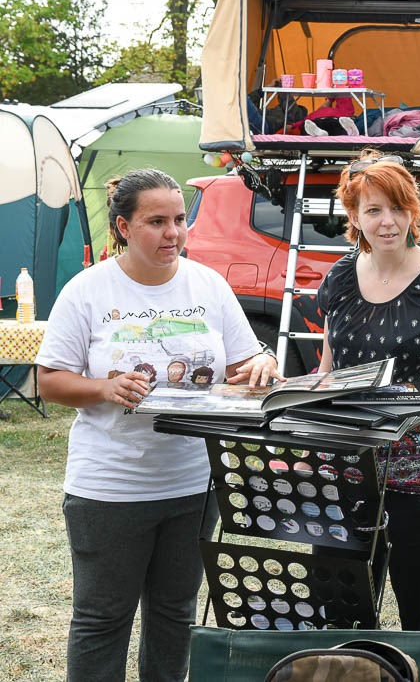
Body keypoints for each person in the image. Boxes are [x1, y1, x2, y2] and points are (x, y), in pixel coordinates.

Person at [34, 168, 282, 681]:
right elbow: (50, 381)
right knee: (102, 619)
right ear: (123, 227)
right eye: (156, 222)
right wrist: (103, 388)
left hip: (191, 484)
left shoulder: (208, 285)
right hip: (110, 487)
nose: (173, 233)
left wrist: (262, 362)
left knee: (175, 615)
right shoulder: (87, 290)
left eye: (179, 220)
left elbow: (244, 361)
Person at [316, 151, 420, 632]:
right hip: (347, 468)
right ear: (353, 216)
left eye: (398, 208)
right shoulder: (340, 276)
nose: (388, 222)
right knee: (341, 613)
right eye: (373, 210)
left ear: (414, 211)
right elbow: (329, 368)